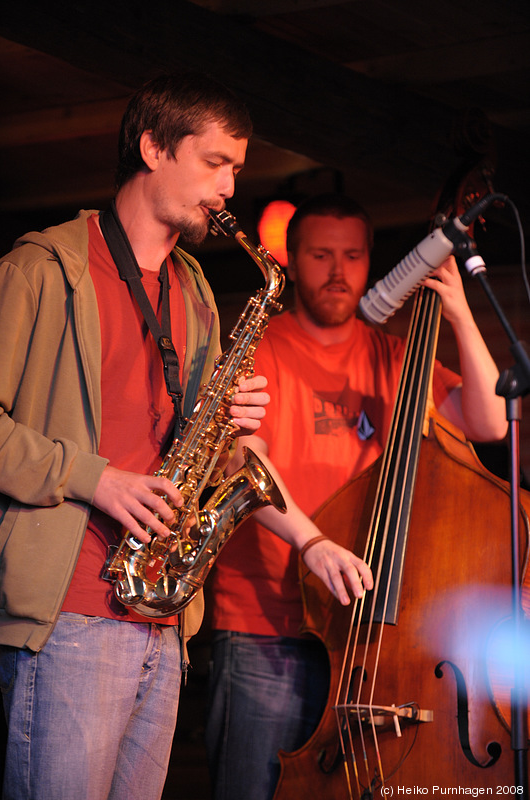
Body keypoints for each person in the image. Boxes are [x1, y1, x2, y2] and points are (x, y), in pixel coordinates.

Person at [0, 76, 371, 800]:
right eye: (216, 163)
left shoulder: (194, 288)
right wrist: (94, 477)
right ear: (152, 148)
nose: (229, 187)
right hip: (68, 614)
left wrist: (236, 439)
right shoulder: (41, 269)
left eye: (235, 167)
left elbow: (202, 451)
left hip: (162, 619)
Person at [205, 193, 508, 800]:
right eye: (320, 254)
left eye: (352, 255)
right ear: (291, 259)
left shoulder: (396, 357)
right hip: (267, 628)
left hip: (368, 638)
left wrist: (458, 313)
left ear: (371, 261)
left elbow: (490, 423)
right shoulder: (263, 349)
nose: (338, 271)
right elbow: (243, 458)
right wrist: (312, 541)